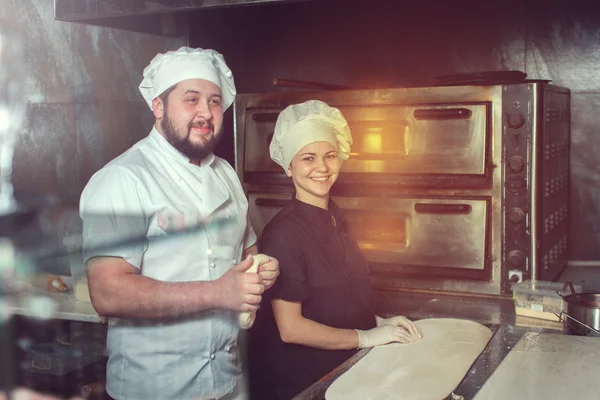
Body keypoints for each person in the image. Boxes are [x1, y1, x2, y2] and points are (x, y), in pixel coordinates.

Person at [79, 47, 279, 400]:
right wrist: (217, 292)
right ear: (158, 106)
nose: (206, 112)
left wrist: (260, 271)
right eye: (192, 99)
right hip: (153, 389)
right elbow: (107, 292)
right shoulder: (122, 179)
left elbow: (246, 251)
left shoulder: (226, 175)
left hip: (228, 380)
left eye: (214, 101)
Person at [248, 100, 422, 400]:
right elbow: (291, 328)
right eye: (308, 158)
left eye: (330, 155)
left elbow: (336, 298)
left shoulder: (337, 218)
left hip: (343, 372)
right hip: (304, 383)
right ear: (288, 167)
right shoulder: (284, 235)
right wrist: (367, 337)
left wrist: (379, 322)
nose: (322, 167)